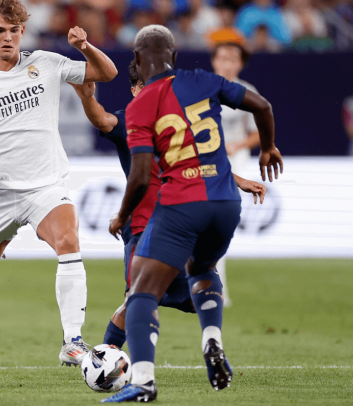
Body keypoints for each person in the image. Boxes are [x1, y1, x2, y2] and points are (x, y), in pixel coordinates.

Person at [104, 25, 282, 402]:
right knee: (203, 270)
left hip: (182, 203)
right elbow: (262, 106)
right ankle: (212, 340)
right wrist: (267, 148)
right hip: (225, 203)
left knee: (141, 292)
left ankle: (144, 381)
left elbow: (139, 176)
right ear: (176, 56)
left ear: (137, 60)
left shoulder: (140, 106)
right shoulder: (204, 80)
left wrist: (121, 216)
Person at [0, 0, 117, 366]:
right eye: (0, 30)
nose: (8, 37)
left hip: (45, 186)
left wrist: (85, 47)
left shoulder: (49, 63)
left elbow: (107, 73)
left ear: (24, 31)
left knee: (69, 241)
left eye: (15, 30)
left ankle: (73, 341)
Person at [70, 62, 267, 350]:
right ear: (135, 90)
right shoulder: (129, 122)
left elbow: (202, 162)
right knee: (137, 299)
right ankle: (107, 358)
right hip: (144, 228)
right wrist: (87, 97)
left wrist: (238, 180)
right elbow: (102, 120)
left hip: (182, 224)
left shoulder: (177, 125)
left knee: (195, 297)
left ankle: (208, 342)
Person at [210, 41, 261, 307]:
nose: (227, 63)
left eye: (233, 58)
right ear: (214, 61)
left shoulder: (246, 92)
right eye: (223, 57)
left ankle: (218, 289)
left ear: (240, 64)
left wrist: (237, 145)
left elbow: (256, 133)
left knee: (219, 225)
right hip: (205, 161)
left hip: (235, 162)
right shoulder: (202, 88)